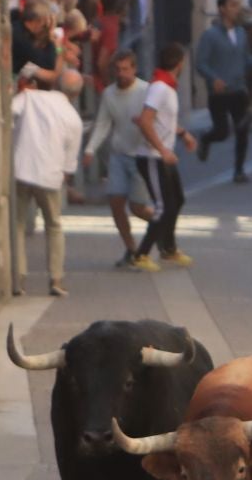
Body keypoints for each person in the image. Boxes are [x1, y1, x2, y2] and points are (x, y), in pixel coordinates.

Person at [10, 69, 85, 297]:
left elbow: (9, 112)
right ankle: (56, 279)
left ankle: (18, 280)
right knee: (53, 225)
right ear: (76, 94)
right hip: (50, 177)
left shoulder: (30, 97)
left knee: (18, 226)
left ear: (57, 84)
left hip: (21, 170)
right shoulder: (73, 118)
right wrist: (66, 176)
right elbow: (70, 161)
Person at [82, 48, 156, 269]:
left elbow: (157, 121)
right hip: (119, 155)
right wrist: (90, 149)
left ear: (134, 69)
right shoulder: (109, 94)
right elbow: (103, 123)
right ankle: (132, 249)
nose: (121, 73)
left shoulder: (146, 91)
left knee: (138, 207)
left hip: (141, 155)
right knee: (115, 202)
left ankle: (163, 227)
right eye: (118, 69)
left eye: (126, 69)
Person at [133, 40, 197, 269]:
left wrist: (182, 133)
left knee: (177, 200)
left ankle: (168, 249)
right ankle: (141, 255)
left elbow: (162, 119)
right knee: (163, 206)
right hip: (152, 156)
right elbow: (145, 121)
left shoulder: (166, 86)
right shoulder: (160, 87)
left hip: (162, 155)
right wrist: (162, 150)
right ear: (180, 63)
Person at [194, 0, 252, 184]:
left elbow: (245, 59)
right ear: (222, 9)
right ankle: (207, 138)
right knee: (222, 131)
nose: (237, 9)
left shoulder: (241, 33)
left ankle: (239, 170)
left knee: (242, 130)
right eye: (232, 5)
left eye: (237, 4)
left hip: (239, 89)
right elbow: (201, 63)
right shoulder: (210, 36)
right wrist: (213, 78)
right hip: (218, 92)